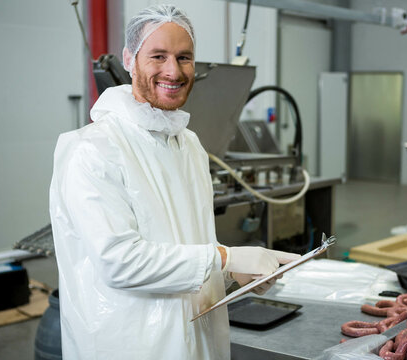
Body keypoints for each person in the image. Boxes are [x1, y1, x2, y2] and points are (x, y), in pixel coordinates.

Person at [49, 4, 300, 360]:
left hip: (198, 339)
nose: (173, 70)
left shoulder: (189, 145)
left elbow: (191, 249)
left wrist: (233, 275)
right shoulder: (91, 149)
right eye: (158, 56)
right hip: (128, 344)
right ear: (129, 60)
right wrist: (227, 259)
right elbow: (120, 261)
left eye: (184, 57)